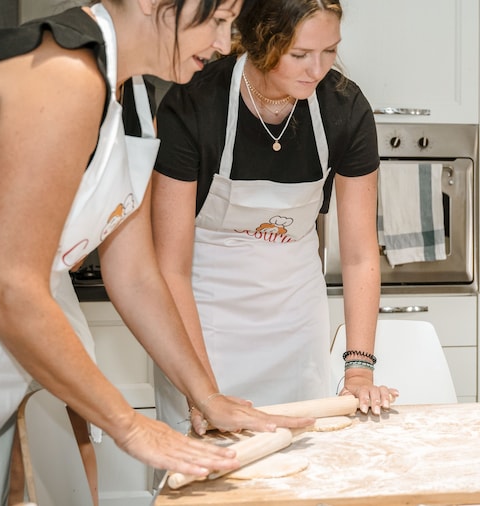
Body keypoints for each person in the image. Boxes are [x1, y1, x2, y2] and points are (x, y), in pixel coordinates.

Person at [0, 1, 315, 503]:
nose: (224, 44)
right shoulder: (64, 73)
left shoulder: (135, 99)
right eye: (217, 20)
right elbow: (10, 285)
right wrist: (130, 425)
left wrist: (206, 395)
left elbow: (135, 273)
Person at [150, 0, 396, 433]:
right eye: (300, 54)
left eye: (330, 51)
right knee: (206, 461)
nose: (317, 70)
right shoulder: (195, 104)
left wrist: (359, 370)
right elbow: (170, 267)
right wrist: (202, 390)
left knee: (303, 452)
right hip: (204, 318)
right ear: (261, 41)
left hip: (295, 316)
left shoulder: (344, 108)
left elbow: (360, 255)